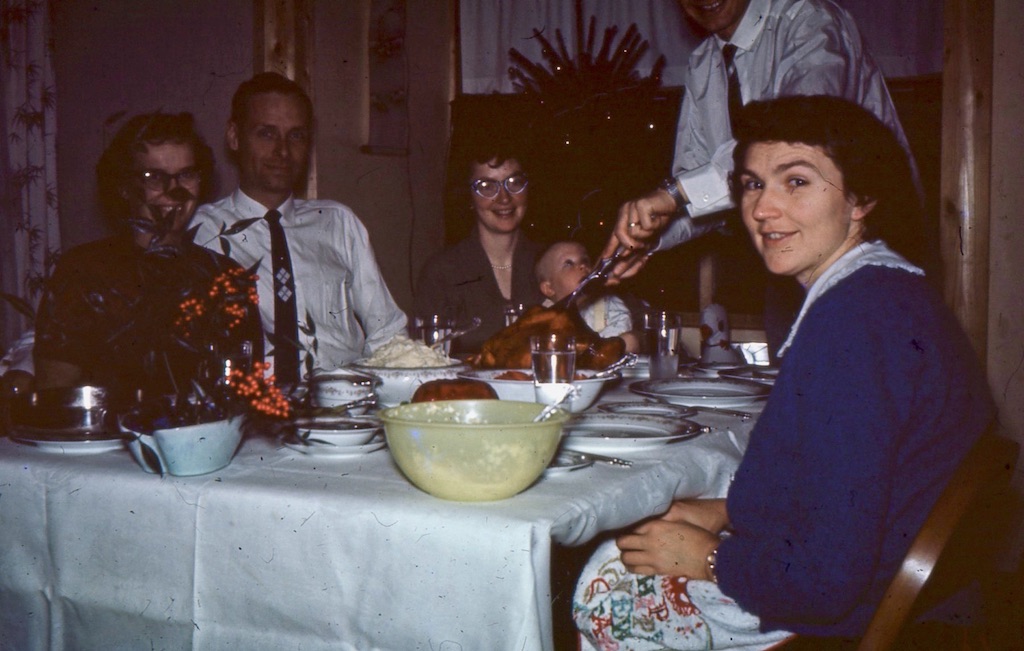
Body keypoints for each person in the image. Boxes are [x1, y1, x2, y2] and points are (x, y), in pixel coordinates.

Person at [572, 96, 993, 649]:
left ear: (861, 199)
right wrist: (726, 511)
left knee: (606, 580)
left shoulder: (855, 322)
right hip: (867, 579)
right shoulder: (883, 290)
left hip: (829, 617)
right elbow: (835, 485)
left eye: (795, 182)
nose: (763, 210)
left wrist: (708, 555)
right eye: (751, 184)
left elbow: (824, 580)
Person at [600, 0, 917, 356]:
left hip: (862, 251)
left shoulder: (809, 20)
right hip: (791, 264)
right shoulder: (703, 63)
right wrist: (650, 237)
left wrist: (674, 194)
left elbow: (798, 138)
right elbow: (704, 194)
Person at [190, 72, 407, 378]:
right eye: (266, 133)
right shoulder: (200, 232)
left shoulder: (336, 222)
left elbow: (388, 334)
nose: (282, 151)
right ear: (234, 137)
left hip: (342, 409)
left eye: (296, 135)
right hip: (246, 411)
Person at [32, 113, 262, 397]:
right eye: (153, 177)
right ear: (124, 187)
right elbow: (55, 395)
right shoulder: (83, 272)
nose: (173, 191)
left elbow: (242, 395)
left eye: (186, 174)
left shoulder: (227, 278)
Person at [414, 142, 545, 354]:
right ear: (469, 197)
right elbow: (429, 359)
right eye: (486, 186)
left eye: (514, 182)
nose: (504, 198)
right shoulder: (442, 271)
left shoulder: (552, 262)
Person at [534, 240, 639, 352]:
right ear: (549, 288)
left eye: (585, 261)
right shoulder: (541, 317)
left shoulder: (609, 306)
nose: (582, 266)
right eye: (568, 264)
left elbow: (617, 342)